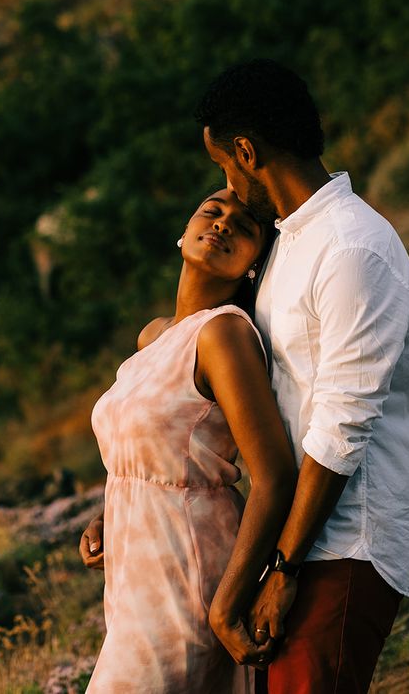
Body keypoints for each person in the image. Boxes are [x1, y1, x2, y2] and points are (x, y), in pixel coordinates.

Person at [195, 59, 409, 693]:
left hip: (342, 542)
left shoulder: (353, 247)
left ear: (247, 151)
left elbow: (341, 428)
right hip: (303, 540)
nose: (225, 182)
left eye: (225, 166)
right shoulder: (290, 243)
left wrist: (283, 567)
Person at [79, 188, 298, 693]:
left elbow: (275, 476)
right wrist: (107, 516)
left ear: (254, 264)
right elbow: (152, 451)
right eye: (212, 211)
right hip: (135, 580)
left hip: (189, 572)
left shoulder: (223, 335)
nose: (223, 224)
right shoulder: (154, 336)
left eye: (244, 227)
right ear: (184, 232)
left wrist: (226, 605)